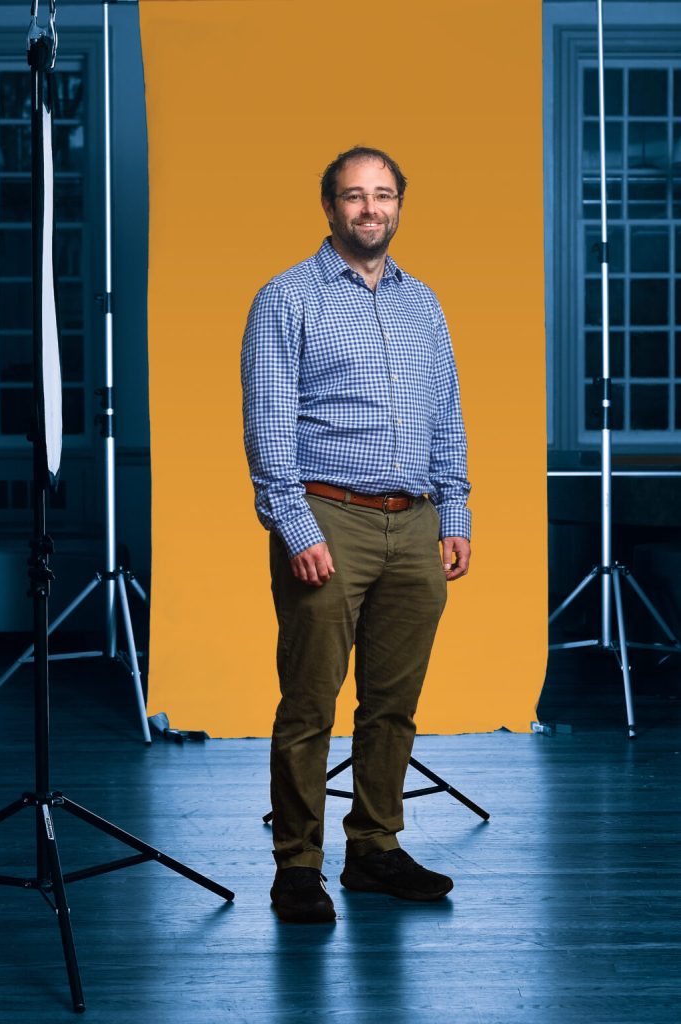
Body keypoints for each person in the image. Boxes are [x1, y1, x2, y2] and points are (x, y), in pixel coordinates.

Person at [241, 146, 471, 924]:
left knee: (392, 704)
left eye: (382, 195)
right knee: (309, 704)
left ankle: (374, 848)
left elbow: (446, 419)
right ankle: (297, 865)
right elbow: (267, 428)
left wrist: (456, 513)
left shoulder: (422, 302)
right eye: (353, 197)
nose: (369, 209)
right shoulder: (287, 297)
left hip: (415, 524)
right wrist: (295, 525)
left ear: (400, 203)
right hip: (326, 516)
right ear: (328, 207)